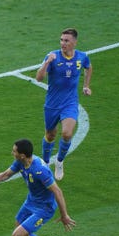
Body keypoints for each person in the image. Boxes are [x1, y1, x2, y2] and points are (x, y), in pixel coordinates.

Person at [35, 28, 92, 180]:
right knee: (50, 134)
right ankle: (46, 163)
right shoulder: (52, 57)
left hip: (70, 103)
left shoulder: (81, 57)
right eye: (61, 40)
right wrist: (47, 62)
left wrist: (86, 85)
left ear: (74, 42)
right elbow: (39, 78)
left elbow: (88, 66)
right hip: (52, 104)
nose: (63, 43)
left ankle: (59, 161)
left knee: (67, 133)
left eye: (66, 40)